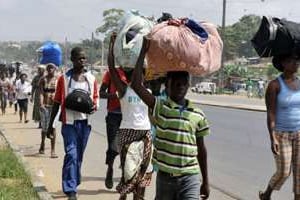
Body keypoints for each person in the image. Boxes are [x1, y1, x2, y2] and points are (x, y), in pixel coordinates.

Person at [131, 38, 210, 200]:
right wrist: (142, 53)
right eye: (175, 84)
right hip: (166, 178)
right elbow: (137, 86)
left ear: (188, 86)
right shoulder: (160, 107)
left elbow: (202, 150)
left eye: (183, 84)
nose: (180, 88)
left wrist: (206, 180)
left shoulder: (198, 114)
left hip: (190, 177)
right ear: (167, 85)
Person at [47, 47, 99, 200]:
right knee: (71, 154)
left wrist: (91, 107)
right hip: (68, 123)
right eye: (78, 58)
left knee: (79, 155)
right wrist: (51, 125)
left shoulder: (91, 79)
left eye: (83, 58)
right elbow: (57, 102)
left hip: (84, 123)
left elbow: (95, 99)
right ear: (72, 60)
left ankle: (75, 176)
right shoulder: (64, 79)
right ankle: (71, 190)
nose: (81, 61)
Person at [108, 34, 152, 200]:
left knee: (143, 176)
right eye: (135, 73)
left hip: (145, 133)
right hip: (127, 133)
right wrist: (112, 45)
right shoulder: (124, 90)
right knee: (129, 176)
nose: (138, 77)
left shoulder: (148, 93)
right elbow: (112, 68)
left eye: (141, 73)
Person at [259, 54, 300, 200]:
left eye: (297, 60)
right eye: (291, 60)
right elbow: (270, 113)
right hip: (281, 135)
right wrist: (273, 138)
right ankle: (267, 194)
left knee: (299, 174)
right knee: (283, 172)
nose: (296, 63)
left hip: (299, 133)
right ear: (283, 63)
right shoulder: (274, 85)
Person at [99, 67, 128, 189]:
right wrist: (114, 96)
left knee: (126, 148)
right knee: (113, 147)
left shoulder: (135, 72)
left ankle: (123, 178)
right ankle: (110, 168)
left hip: (129, 116)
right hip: (113, 115)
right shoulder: (111, 72)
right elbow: (101, 93)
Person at [38, 63, 58, 158]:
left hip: (54, 107)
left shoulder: (58, 80)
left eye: (52, 68)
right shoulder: (43, 80)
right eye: (49, 68)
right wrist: (41, 104)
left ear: (55, 69)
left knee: (53, 127)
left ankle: (53, 150)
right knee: (44, 128)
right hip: (45, 106)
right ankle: (42, 144)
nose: (50, 69)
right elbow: (41, 92)